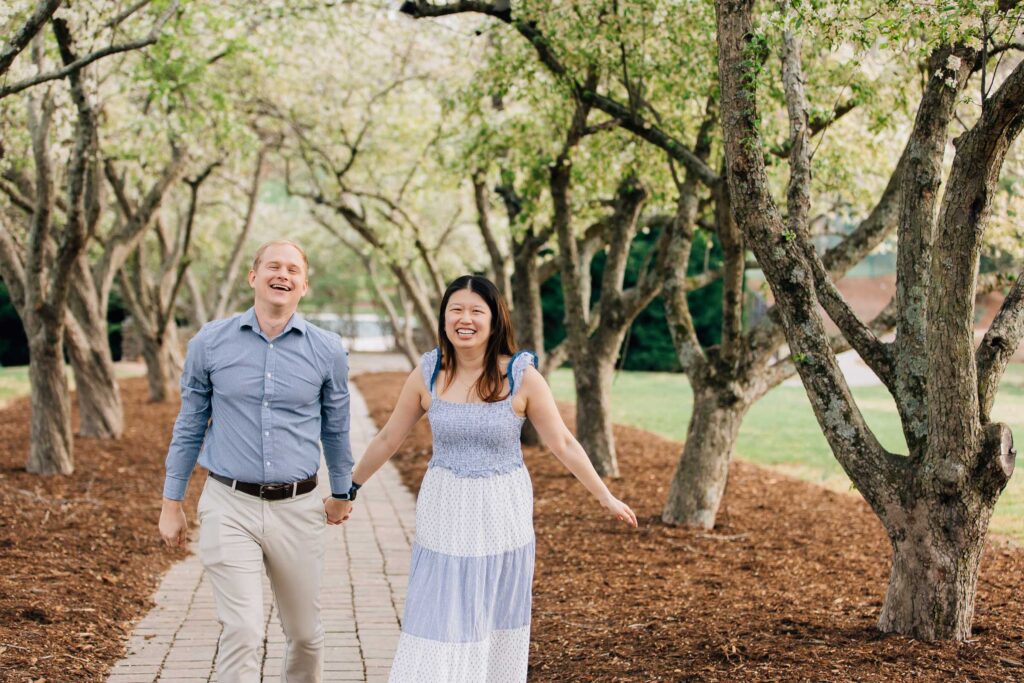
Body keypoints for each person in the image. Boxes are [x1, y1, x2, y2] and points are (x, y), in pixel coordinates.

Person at [349, 274, 638, 683]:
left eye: (475, 311)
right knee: (440, 610)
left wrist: (606, 497)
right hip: (445, 510)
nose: (464, 319)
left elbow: (564, 443)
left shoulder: (521, 376)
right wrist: (350, 487)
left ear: (494, 319)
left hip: (501, 512)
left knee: (493, 613)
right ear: (444, 317)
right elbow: (387, 437)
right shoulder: (429, 372)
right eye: (456, 310)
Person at [158, 239, 358, 683]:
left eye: (292, 269)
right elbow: (189, 424)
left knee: (306, 635)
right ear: (254, 276)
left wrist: (343, 492)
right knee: (243, 631)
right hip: (229, 505)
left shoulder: (327, 350)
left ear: (304, 285)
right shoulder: (209, 343)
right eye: (273, 266)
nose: (282, 274)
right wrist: (171, 503)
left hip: (299, 507)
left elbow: (336, 429)